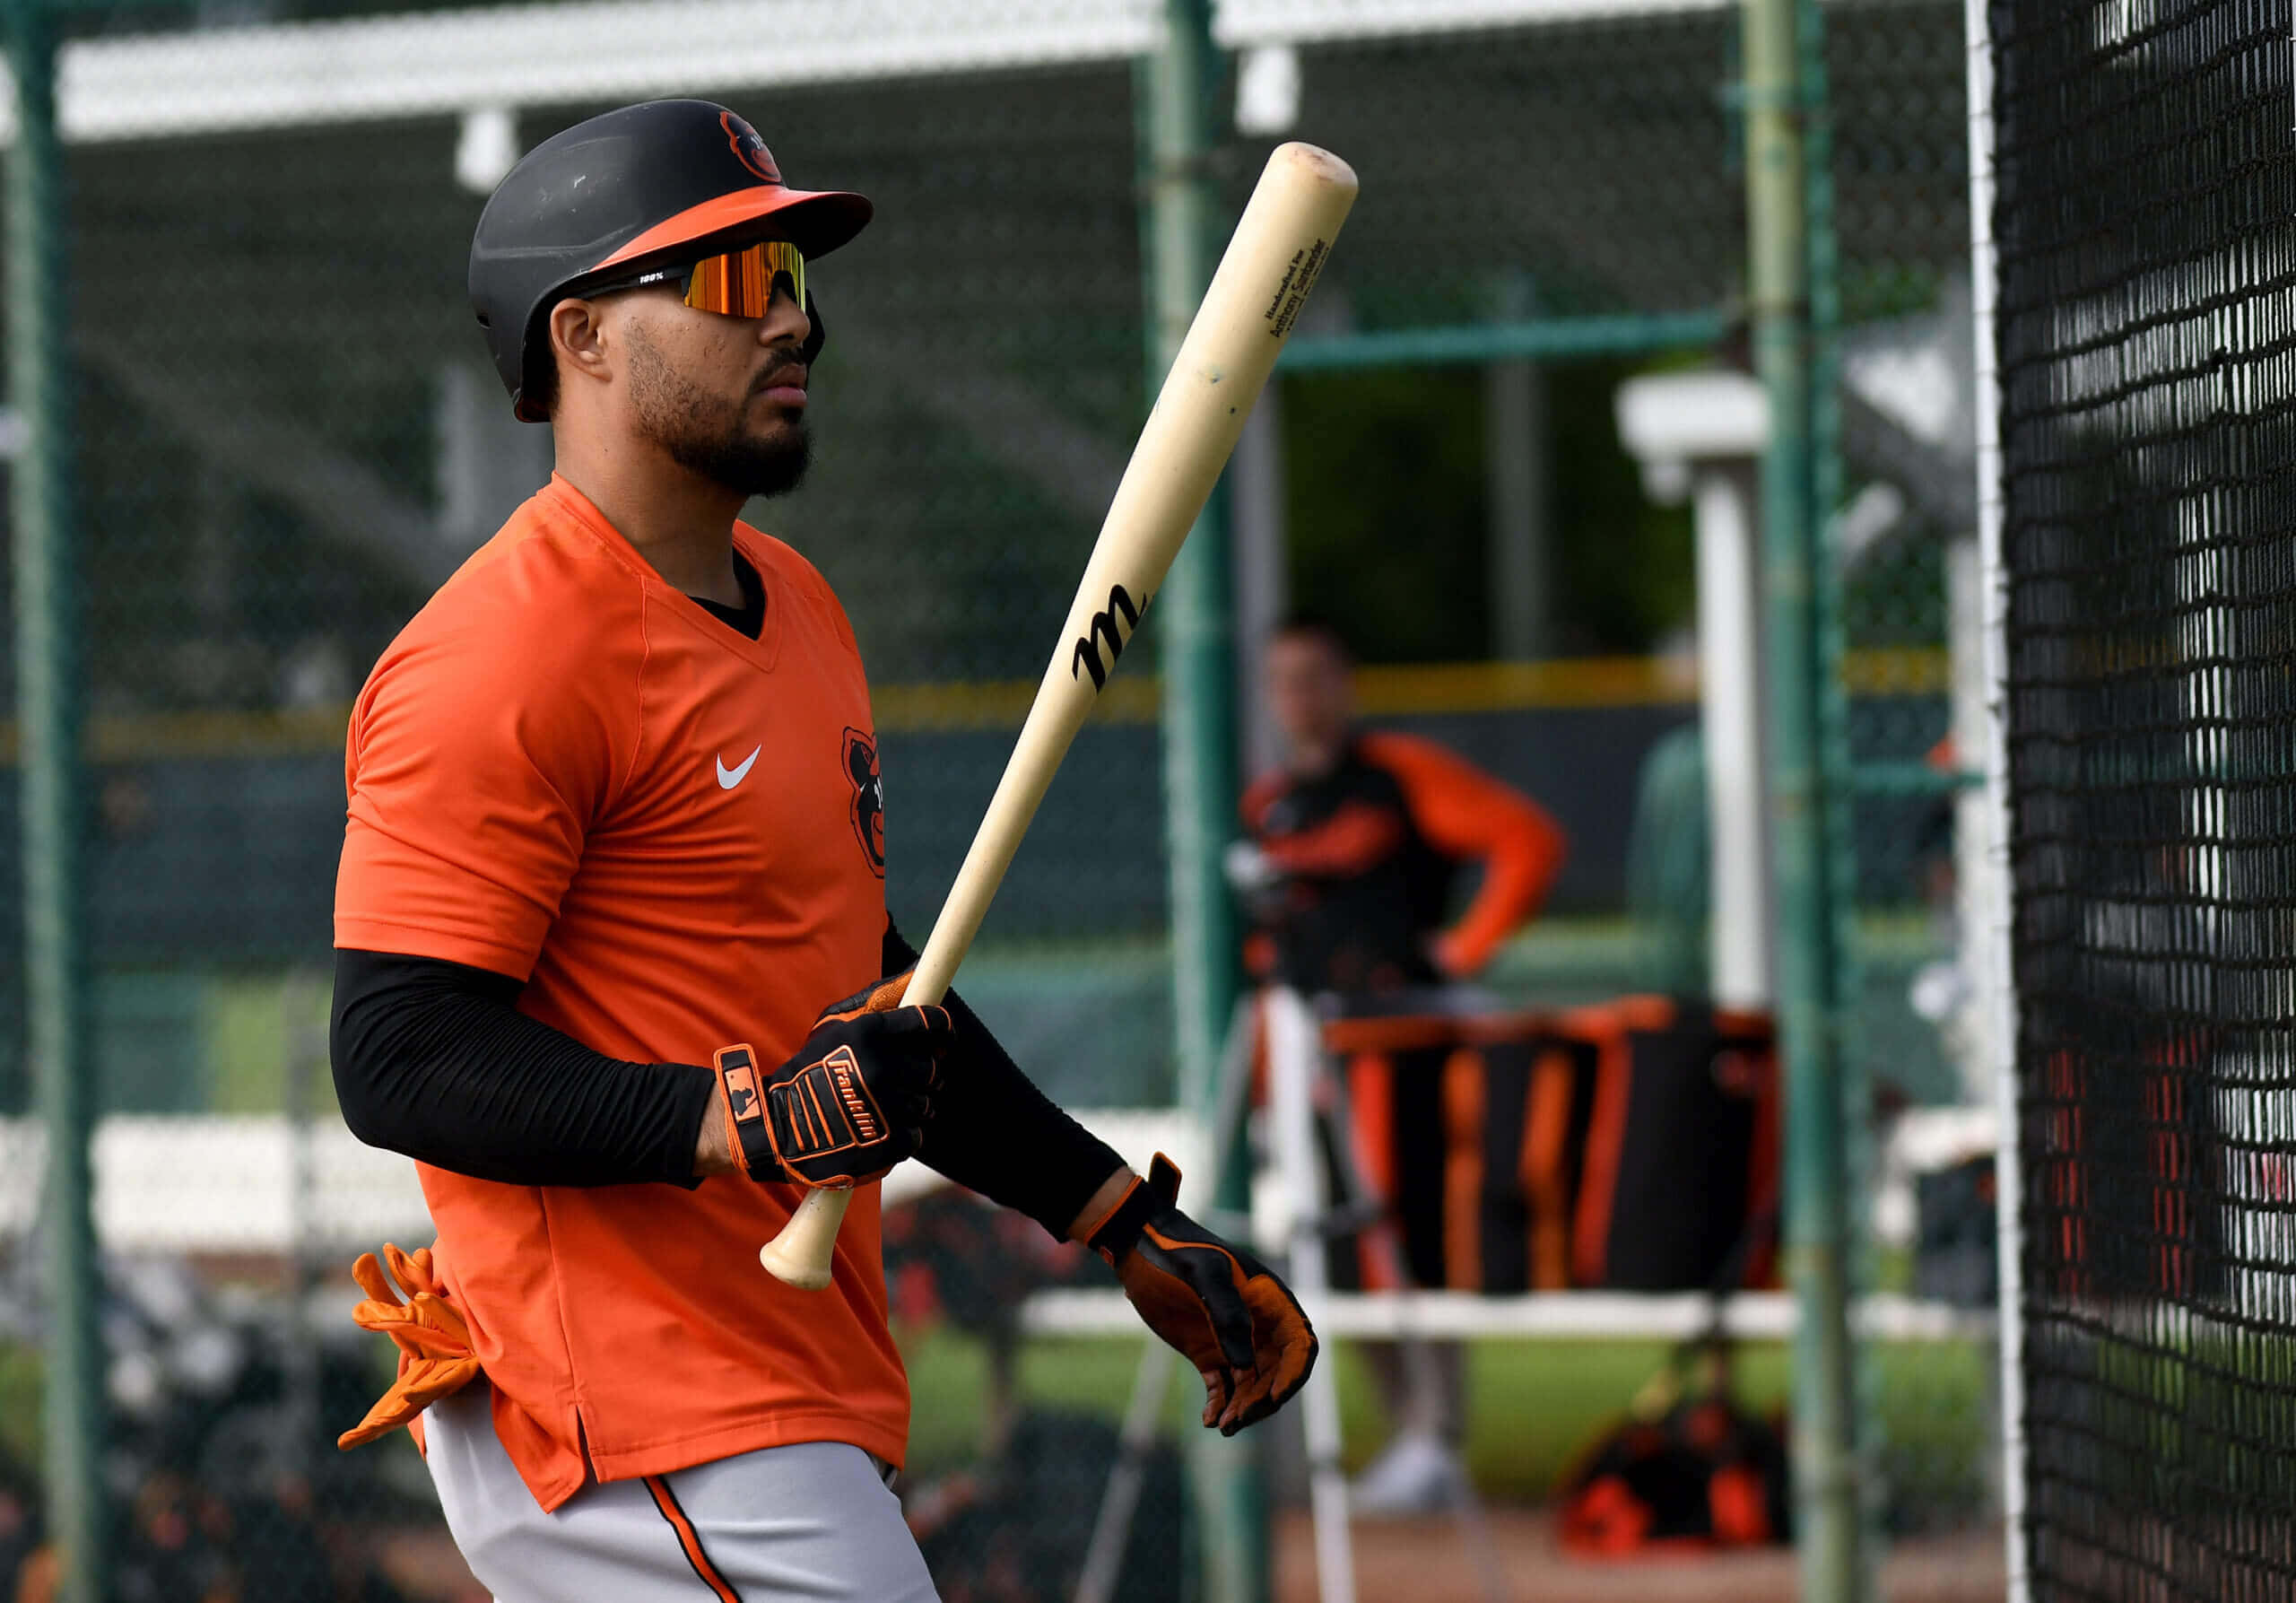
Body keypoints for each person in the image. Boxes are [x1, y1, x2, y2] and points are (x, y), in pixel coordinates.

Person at [329, 100, 1315, 1603]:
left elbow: (863, 981)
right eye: (730, 280)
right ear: (579, 337)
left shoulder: (792, 600)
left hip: (775, 1380)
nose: (791, 318)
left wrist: (1109, 1210)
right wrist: (741, 1123)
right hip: (639, 1407)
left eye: (792, 270)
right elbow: (397, 1052)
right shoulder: (500, 656)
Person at [1231, 614, 1563, 1515]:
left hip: (1403, 1044)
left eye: (1314, 675)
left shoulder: (1396, 776)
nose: (1299, 697)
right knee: (1331, 1241)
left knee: (1411, 1234)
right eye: (1283, 680)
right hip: (1312, 1050)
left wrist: (1462, 949)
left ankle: (1439, 1433)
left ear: (1345, 682)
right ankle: (1408, 1430)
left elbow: (1526, 840)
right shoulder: (1267, 806)